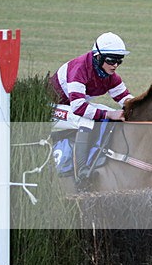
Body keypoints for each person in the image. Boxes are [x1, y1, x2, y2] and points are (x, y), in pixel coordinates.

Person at [49, 32, 134, 182]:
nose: (115, 65)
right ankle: (81, 171)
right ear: (97, 56)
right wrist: (108, 114)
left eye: (119, 61)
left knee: (106, 111)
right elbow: (79, 108)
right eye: (111, 60)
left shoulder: (110, 75)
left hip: (70, 105)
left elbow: (125, 99)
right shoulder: (79, 69)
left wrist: (145, 107)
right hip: (49, 107)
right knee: (86, 120)